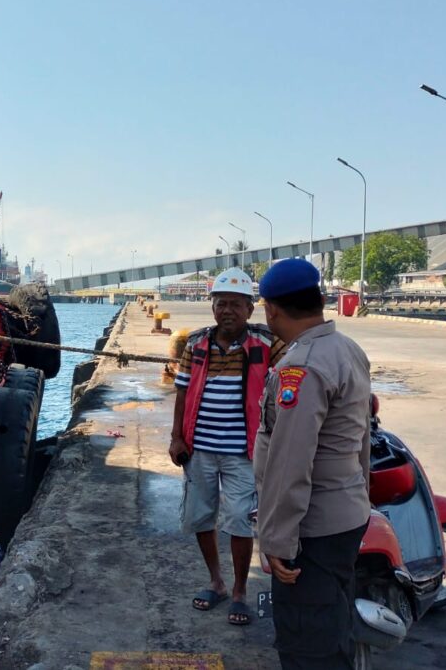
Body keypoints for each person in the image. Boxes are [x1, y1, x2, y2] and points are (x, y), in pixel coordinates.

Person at [253, 260, 372, 669]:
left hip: (312, 528)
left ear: (270, 309)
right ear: (319, 300)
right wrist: (362, 495)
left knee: (307, 644)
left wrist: (277, 540)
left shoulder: (301, 366)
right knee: (332, 627)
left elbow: (290, 460)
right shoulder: (347, 349)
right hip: (346, 514)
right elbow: (362, 439)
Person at [169, 267, 285, 624]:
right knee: (200, 516)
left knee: (238, 521)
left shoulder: (267, 344)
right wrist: (176, 437)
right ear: (213, 308)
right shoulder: (196, 344)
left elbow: (294, 375)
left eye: (236, 304)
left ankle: (239, 591)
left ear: (250, 309)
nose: (228, 311)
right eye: (221, 304)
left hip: (244, 453)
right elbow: (182, 391)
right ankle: (216, 582)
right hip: (199, 450)